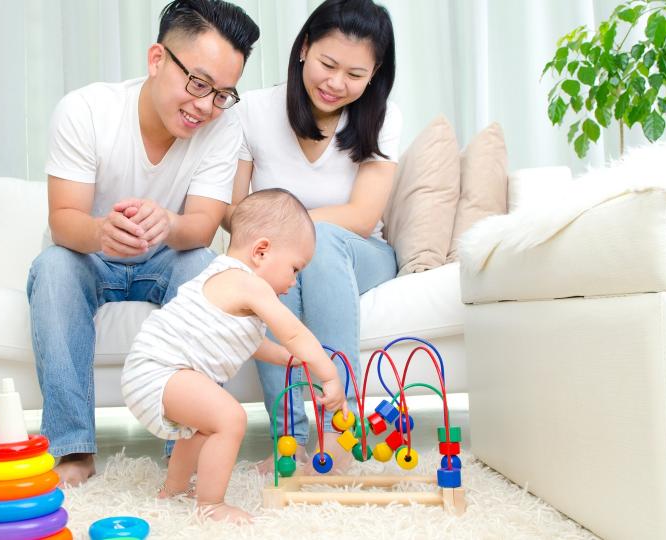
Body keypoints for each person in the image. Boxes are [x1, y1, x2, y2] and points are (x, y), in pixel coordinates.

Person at [27, 0, 259, 487]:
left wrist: (169, 224)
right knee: (53, 268)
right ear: (157, 60)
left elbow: (201, 226)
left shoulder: (224, 126)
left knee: (204, 264)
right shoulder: (87, 110)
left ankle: (191, 440)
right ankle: (71, 448)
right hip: (89, 257)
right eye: (197, 84)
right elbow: (64, 219)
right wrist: (99, 231)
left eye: (222, 94)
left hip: (167, 257)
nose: (205, 106)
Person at [224, 0, 400, 473]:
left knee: (318, 240)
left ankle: (337, 430)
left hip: (361, 254)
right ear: (304, 48)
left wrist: (287, 233)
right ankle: (290, 442)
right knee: (263, 270)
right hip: (280, 257)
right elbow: (233, 211)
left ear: (374, 73)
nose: (337, 83)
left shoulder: (383, 117)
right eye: (327, 64)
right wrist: (279, 245)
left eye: (355, 73)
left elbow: (362, 217)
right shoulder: (254, 111)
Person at [121, 188, 348, 522]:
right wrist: (328, 374)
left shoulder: (225, 279)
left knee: (202, 427)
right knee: (230, 418)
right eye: (295, 269)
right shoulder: (249, 284)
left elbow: (249, 342)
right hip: (159, 370)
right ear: (261, 251)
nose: (293, 281)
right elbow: (295, 331)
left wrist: (287, 358)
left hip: (152, 372)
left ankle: (174, 489)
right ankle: (210, 504)